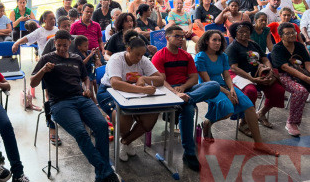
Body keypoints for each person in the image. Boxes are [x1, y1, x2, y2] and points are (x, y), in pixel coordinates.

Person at [31, 30, 125, 182]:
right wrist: (43, 70)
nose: (61, 48)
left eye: (64, 45)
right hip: (59, 103)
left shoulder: (76, 59)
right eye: (58, 45)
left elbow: (85, 77)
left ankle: (100, 177)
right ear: (54, 43)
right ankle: (106, 172)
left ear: (70, 44)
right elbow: (33, 81)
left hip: (81, 99)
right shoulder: (47, 59)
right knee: (81, 133)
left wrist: (87, 89)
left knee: (102, 126)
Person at [194, 31, 278, 155]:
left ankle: (258, 144)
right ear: (207, 41)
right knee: (228, 110)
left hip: (223, 85)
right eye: (214, 40)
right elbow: (208, 81)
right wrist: (227, 93)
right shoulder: (200, 57)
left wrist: (232, 89)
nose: (218, 43)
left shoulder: (222, 56)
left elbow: (227, 76)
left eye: (220, 41)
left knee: (249, 106)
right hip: (208, 88)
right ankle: (208, 122)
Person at [151, 26, 221, 171]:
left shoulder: (186, 56)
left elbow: (194, 78)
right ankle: (189, 153)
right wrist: (176, 93)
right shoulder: (159, 55)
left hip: (186, 89)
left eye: (182, 36)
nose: (180, 39)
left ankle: (185, 100)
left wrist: (183, 89)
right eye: (177, 36)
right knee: (188, 111)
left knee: (214, 85)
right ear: (167, 37)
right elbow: (161, 81)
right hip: (168, 90)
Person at [98, 31, 165, 162]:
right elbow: (115, 83)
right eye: (137, 54)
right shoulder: (117, 59)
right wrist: (140, 89)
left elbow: (160, 79)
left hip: (132, 94)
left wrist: (144, 78)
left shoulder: (143, 60)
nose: (140, 58)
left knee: (152, 115)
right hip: (108, 92)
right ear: (128, 49)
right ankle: (126, 139)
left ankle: (125, 141)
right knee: (125, 116)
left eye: (142, 55)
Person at [271, 23, 310, 137]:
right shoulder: (277, 48)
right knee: (300, 91)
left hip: (303, 73)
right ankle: (292, 123)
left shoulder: (299, 46)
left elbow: (308, 63)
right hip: (285, 76)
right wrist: (306, 78)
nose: (291, 35)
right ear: (281, 36)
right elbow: (285, 67)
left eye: (293, 32)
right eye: (288, 33)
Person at [226, 22, 285, 133]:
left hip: (257, 73)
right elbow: (234, 68)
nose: (245, 33)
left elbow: (265, 58)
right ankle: (243, 122)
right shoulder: (232, 47)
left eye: (247, 31)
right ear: (235, 34)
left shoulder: (253, 44)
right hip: (239, 75)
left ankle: (261, 113)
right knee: (250, 91)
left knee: (278, 90)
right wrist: (252, 79)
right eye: (241, 32)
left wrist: (270, 70)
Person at [74, 35, 102, 100]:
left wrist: (97, 54)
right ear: (79, 47)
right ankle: (94, 100)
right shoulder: (77, 55)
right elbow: (82, 63)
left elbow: (98, 60)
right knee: (90, 85)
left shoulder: (88, 52)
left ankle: (98, 98)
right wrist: (90, 55)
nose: (87, 47)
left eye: (87, 45)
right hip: (84, 74)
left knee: (96, 82)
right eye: (85, 46)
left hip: (91, 72)